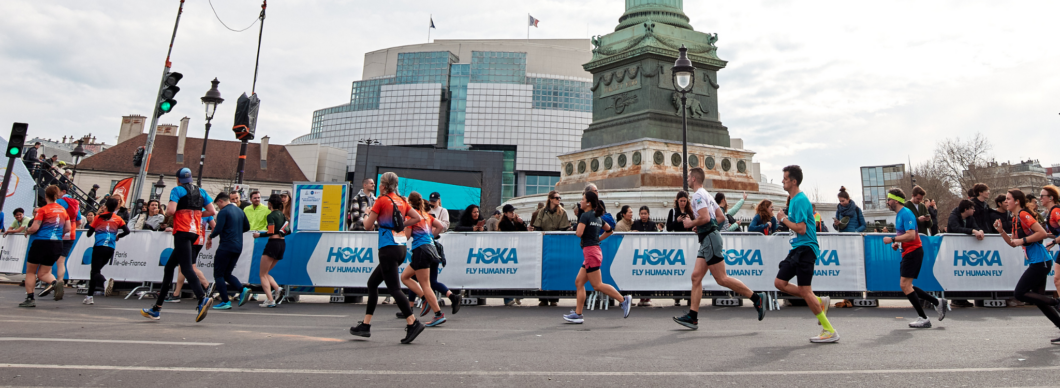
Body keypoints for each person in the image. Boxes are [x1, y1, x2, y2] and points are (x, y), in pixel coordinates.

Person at [673, 168, 766, 330]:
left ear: (694, 178)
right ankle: (692, 317)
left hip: (709, 239)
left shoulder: (697, 196)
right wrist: (701, 227)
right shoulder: (707, 195)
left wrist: (691, 224)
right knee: (696, 277)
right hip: (707, 238)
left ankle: (757, 298)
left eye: (688, 177)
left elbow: (706, 217)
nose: (687, 179)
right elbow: (720, 218)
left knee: (722, 278)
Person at [349, 172, 426, 344]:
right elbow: (417, 218)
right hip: (400, 248)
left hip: (387, 248)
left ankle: (413, 323)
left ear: (383, 185)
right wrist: (399, 225)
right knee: (372, 284)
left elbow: (368, 226)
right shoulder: (401, 200)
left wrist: (367, 213)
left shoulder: (382, 201)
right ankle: (365, 325)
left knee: (394, 289)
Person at [140, 168, 216, 322]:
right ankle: (157, 308)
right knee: (169, 267)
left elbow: (171, 210)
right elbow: (212, 211)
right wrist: (196, 213)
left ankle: (202, 298)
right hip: (194, 231)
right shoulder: (201, 192)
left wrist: (170, 214)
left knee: (187, 268)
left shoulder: (177, 190)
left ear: (178, 179)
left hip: (182, 230)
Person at [772, 165, 838, 343]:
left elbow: (801, 229)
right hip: (797, 249)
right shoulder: (793, 200)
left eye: (785, 179)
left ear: (793, 181)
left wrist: (783, 219)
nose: (782, 181)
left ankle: (829, 330)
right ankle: (819, 301)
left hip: (806, 249)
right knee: (780, 282)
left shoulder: (800, 200)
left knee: (804, 290)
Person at [993, 189, 1060, 345]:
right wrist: (1001, 231)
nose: (1005, 202)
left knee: (1020, 293)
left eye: (1008, 199)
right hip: (1036, 261)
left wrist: (1022, 241)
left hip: (1041, 261)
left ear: (1017, 201)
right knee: (1039, 300)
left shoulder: (1023, 215)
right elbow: (1012, 243)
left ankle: (1057, 303)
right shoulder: (1016, 218)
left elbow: (1042, 233)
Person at [562, 190, 631, 324]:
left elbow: (578, 233)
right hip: (594, 251)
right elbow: (610, 230)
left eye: (582, 199)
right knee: (579, 282)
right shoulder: (597, 217)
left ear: (588, 202)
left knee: (597, 285)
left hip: (591, 253)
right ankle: (578, 314)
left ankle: (623, 300)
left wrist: (579, 228)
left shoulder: (585, 216)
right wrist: (597, 239)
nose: (580, 202)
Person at [883, 188, 947, 328]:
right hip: (908, 251)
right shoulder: (900, 214)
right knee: (907, 286)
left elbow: (911, 235)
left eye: (888, 199)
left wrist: (892, 238)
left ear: (895, 200)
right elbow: (906, 235)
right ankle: (937, 303)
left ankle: (924, 317)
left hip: (913, 252)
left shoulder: (906, 213)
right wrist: (897, 243)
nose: (887, 202)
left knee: (905, 285)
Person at [398, 192, 452, 327]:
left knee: (425, 284)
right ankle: (424, 298)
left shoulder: (413, 216)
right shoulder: (426, 215)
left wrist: (400, 229)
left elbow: (408, 236)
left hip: (420, 250)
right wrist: (430, 237)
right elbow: (440, 226)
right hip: (430, 248)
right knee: (405, 277)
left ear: (410, 203)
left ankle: (437, 312)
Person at [19, 185, 71, 307]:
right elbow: (68, 228)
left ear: (45, 196)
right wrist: (58, 234)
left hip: (41, 242)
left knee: (31, 272)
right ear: (57, 195)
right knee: (44, 273)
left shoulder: (43, 210)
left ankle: (30, 298)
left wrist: (27, 230)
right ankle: (54, 282)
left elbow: (35, 227)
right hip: (57, 243)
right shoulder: (64, 211)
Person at [205, 192, 252, 309]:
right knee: (227, 274)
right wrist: (235, 231)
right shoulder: (240, 211)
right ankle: (243, 289)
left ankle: (225, 301)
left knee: (219, 274)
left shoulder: (223, 212)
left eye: (217, 205)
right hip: (238, 246)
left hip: (226, 245)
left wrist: (210, 237)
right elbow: (247, 227)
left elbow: (218, 229)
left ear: (221, 201)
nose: (218, 207)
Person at [82, 197, 130, 305]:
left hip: (99, 246)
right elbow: (127, 231)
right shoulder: (118, 218)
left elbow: (89, 234)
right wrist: (118, 236)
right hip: (110, 248)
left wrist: (96, 227)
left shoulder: (99, 217)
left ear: (106, 206)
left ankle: (105, 282)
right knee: (95, 271)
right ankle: (89, 297)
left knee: (95, 272)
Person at [38, 183, 81, 300]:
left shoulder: (60, 202)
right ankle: (60, 282)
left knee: (50, 260)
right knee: (61, 261)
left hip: (58, 234)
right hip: (71, 233)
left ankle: (50, 283)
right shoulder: (75, 203)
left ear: (62, 192)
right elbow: (79, 221)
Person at [533, 190, 569, 306]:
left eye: (559, 198)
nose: (559, 200)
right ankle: (542, 298)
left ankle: (554, 298)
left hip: (557, 243)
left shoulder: (562, 212)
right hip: (544, 243)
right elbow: (537, 226)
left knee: (556, 270)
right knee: (542, 270)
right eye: (557, 198)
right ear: (551, 199)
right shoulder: (542, 212)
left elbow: (564, 228)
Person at [253, 194, 289, 308]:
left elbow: (270, 232)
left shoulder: (271, 216)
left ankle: (270, 299)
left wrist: (259, 234)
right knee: (266, 272)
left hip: (273, 244)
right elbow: (288, 231)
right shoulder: (283, 216)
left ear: (270, 204)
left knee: (262, 274)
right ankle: (278, 288)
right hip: (282, 244)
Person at [1039, 185, 1060, 291]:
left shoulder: (1056, 211)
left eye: (1042, 196)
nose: (1040, 198)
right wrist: (1046, 235)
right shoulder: (1051, 212)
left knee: (1058, 280)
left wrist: (1053, 242)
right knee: (1057, 280)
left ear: (1051, 198)